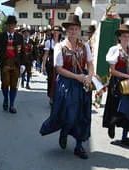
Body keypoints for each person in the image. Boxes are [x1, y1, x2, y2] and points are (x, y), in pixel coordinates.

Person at [40, 14, 94, 159]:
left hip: (82, 83)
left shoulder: (85, 46)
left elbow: (90, 64)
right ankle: (64, 132)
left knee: (82, 114)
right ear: (66, 30)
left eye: (76, 29)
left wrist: (89, 77)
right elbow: (58, 68)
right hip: (66, 83)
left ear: (79, 30)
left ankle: (78, 145)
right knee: (69, 113)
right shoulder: (60, 46)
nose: (73, 31)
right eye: (70, 29)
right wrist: (77, 77)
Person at [103, 24, 129, 147]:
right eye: (124, 36)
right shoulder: (114, 50)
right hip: (117, 82)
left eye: (128, 36)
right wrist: (127, 77)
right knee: (116, 107)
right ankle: (112, 124)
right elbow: (112, 71)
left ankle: (125, 136)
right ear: (119, 37)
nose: (126, 38)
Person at [0, 15, 24, 114]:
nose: (11, 26)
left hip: (15, 64)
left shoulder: (19, 37)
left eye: (13, 25)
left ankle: (12, 105)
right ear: (7, 25)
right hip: (5, 63)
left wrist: (23, 64)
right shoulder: (0, 36)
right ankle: (6, 98)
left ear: (15, 25)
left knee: (14, 85)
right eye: (9, 25)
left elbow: (22, 51)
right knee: (5, 83)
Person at [42, 26, 63, 105]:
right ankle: (51, 98)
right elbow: (46, 54)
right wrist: (43, 66)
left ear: (60, 32)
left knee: (59, 81)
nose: (56, 32)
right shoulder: (49, 42)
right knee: (51, 80)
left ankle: (58, 97)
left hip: (60, 64)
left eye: (57, 30)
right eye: (54, 30)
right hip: (51, 64)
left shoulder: (62, 42)